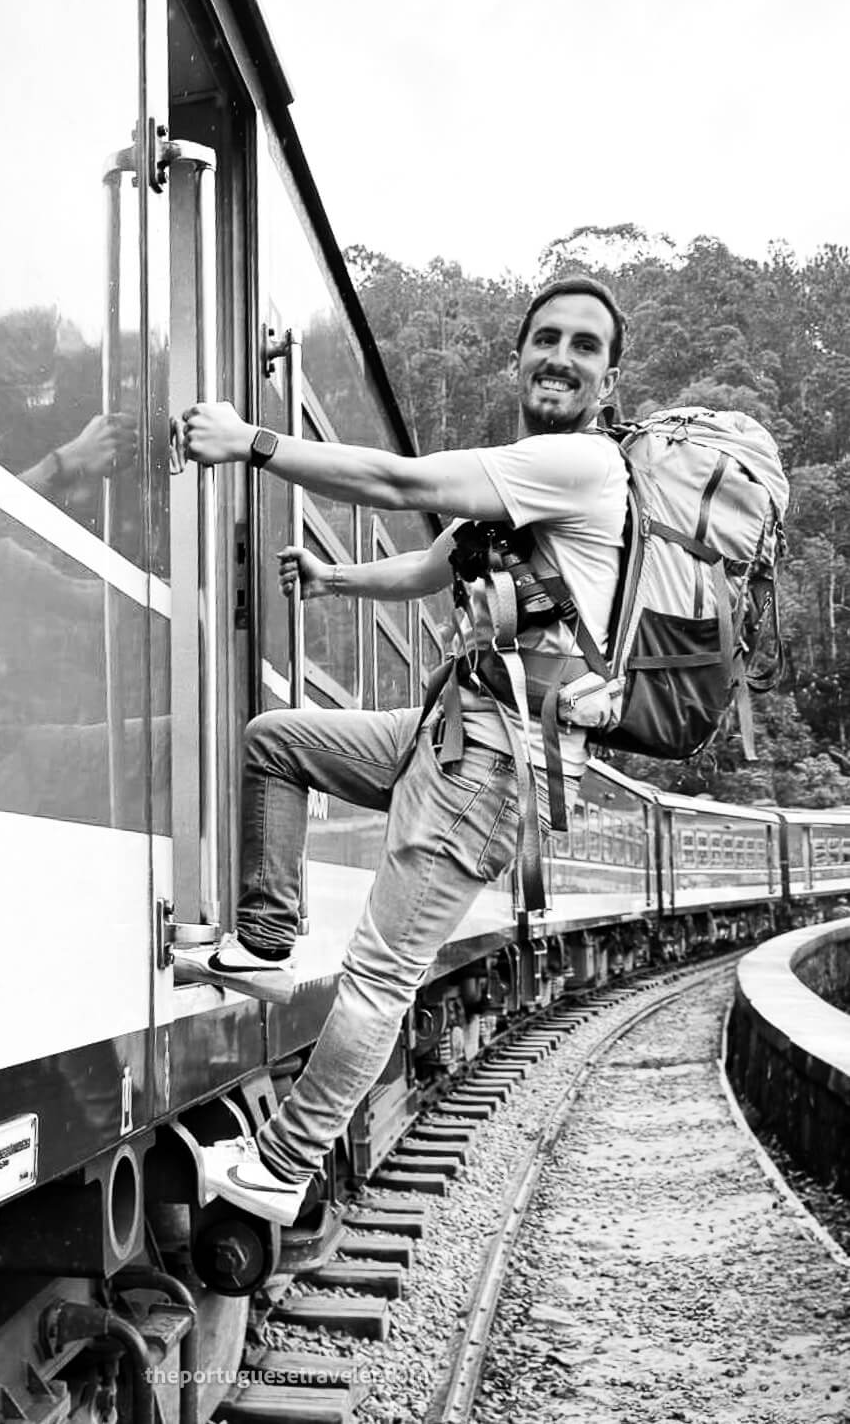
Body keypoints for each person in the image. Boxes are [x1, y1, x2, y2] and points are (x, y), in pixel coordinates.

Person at [176, 275, 631, 1226]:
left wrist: (253, 444)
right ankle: (264, 937)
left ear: (608, 379)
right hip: (442, 736)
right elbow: (431, 565)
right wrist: (336, 577)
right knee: (278, 743)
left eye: (583, 346)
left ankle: (279, 1168)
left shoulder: (580, 469)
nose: (558, 356)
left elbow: (399, 483)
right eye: (544, 338)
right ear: (516, 358)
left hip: (492, 765)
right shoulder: (520, 480)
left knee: (380, 976)